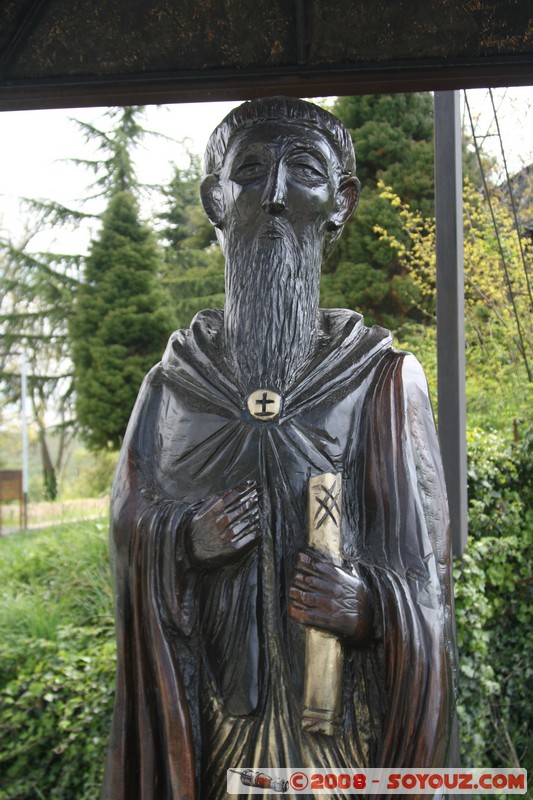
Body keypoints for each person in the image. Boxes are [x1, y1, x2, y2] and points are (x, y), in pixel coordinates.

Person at [103, 97, 457, 800]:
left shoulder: (382, 379)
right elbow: (126, 523)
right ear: (215, 198)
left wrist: (369, 605)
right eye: (250, 171)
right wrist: (184, 538)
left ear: (340, 201)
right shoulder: (173, 385)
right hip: (212, 732)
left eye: (303, 171)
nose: (273, 195)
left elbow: (430, 581)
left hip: (340, 737)